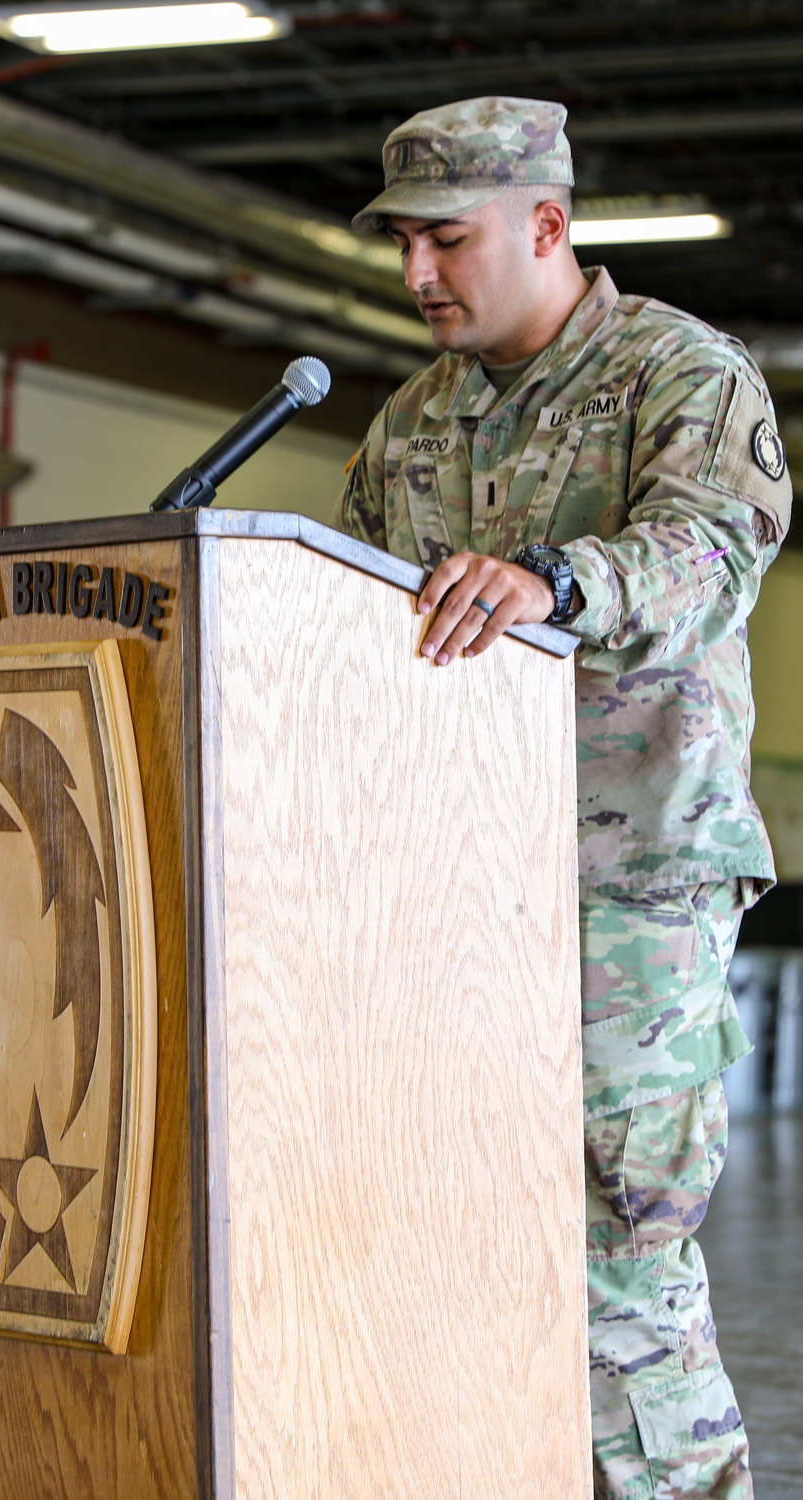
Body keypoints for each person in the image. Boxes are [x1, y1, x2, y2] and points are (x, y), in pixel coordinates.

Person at [332, 96, 792, 1500]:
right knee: (456, 1231)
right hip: (453, 884)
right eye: (405, 241)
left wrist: (558, 581)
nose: (418, 274)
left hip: (631, 880)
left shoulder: (685, 374)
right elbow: (340, 612)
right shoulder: (411, 423)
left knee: (615, 1243)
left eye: (445, 239)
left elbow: (712, 547)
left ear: (547, 224)